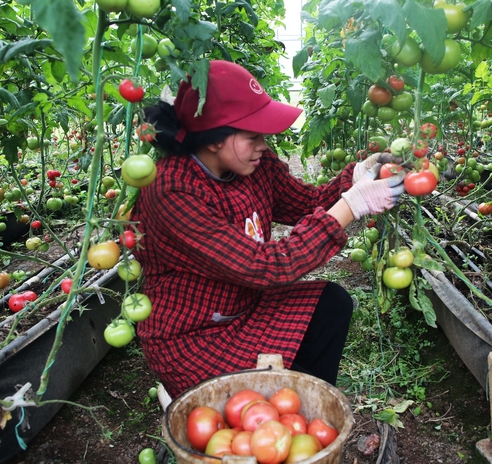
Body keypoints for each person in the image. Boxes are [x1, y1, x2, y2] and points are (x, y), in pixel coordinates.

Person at [130, 60, 406, 407]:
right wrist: (352, 205)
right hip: (193, 335)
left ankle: (302, 409)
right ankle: (198, 396)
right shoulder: (172, 190)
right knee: (266, 406)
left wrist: (355, 177)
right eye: (252, 136)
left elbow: (307, 202)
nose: (264, 144)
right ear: (214, 139)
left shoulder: (253, 166)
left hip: (244, 307)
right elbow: (267, 268)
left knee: (330, 304)